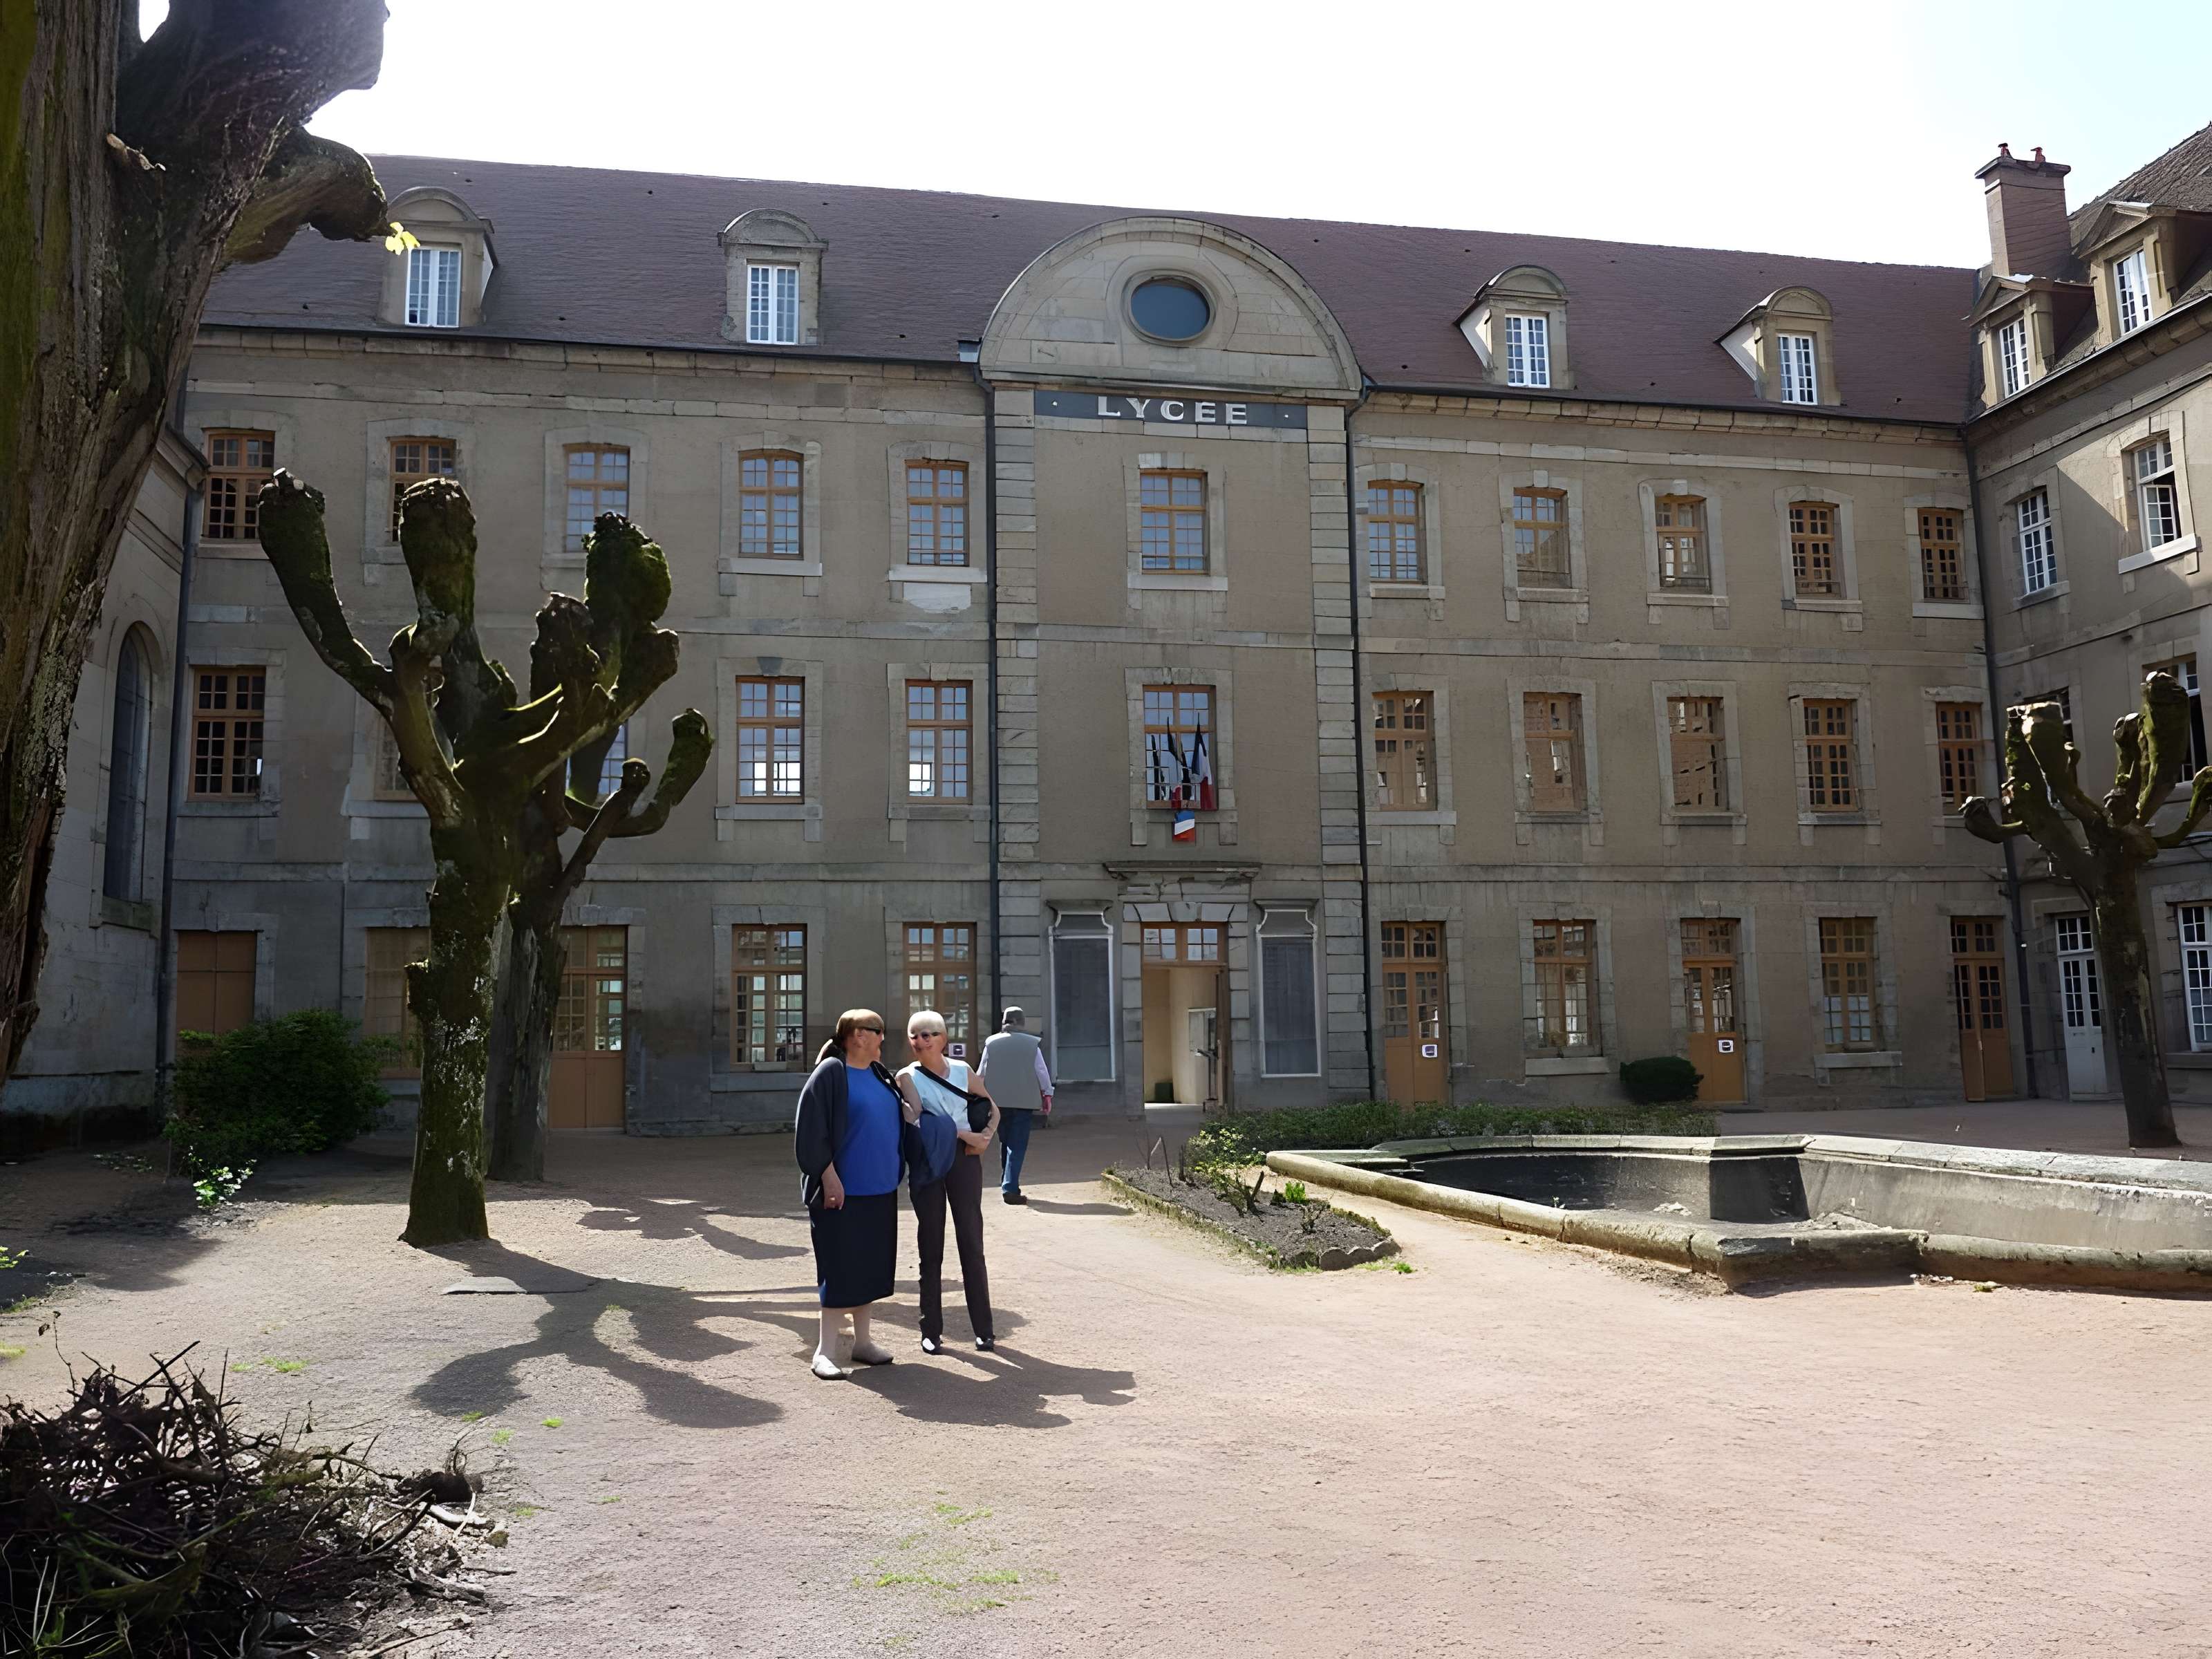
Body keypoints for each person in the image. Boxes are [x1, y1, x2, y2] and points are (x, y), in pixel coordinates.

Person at [794, 1009, 910, 1380]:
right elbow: (811, 1131)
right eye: (879, 1032)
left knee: (869, 1267)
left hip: (880, 1187)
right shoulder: (831, 1073)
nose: (883, 1039)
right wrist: (828, 1177)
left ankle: (862, 1343)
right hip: (842, 1191)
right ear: (859, 1035)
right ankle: (825, 1351)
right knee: (839, 1268)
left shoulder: (880, 1074)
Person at [894, 1011, 999, 1353]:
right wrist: (966, 1133)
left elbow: (992, 1109)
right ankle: (931, 1330)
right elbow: (917, 1122)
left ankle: (984, 1330)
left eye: (928, 1035)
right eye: (915, 1035)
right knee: (931, 1244)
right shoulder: (906, 1077)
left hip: (964, 1160)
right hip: (929, 1160)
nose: (921, 1041)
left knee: (971, 1241)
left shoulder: (962, 1071)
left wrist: (985, 1137)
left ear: (943, 1038)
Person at [977, 1006, 1053, 1204]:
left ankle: (1008, 1182)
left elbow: (981, 1073)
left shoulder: (991, 1044)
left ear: (1004, 1022)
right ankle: (1010, 1188)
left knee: (1005, 1142)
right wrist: (1047, 1094)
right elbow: (1042, 1072)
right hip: (1024, 1101)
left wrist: (978, 1096)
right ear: (1022, 1022)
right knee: (1017, 1145)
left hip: (997, 1103)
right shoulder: (1032, 1044)